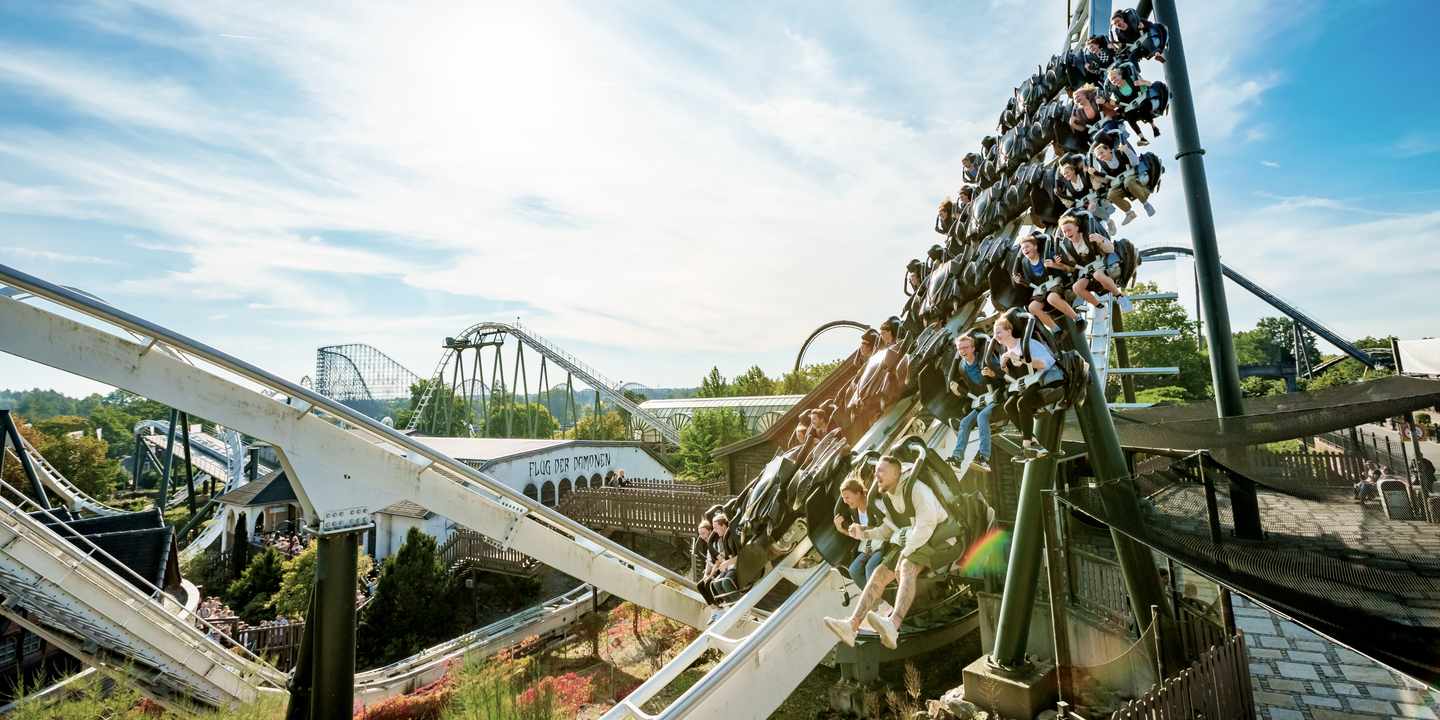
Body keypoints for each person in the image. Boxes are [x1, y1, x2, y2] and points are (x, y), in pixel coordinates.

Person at [822, 455, 959, 649]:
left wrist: (905, 552)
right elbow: (887, 530)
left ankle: (893, 625)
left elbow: (926, 526)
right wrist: (864, 534)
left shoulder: (917, 490)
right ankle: (851, 626)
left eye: (881, 471)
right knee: (879, 573)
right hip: (914, 538)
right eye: (876, 470)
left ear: (897, 472)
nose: (876, 474)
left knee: (906, 565)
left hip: (940, 537)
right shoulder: (888, 497)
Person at [994, 314, 1066, 459]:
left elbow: (1045, 364)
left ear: (1009, 331)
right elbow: (1013, 378)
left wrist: (1021, 359)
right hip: (1028, 383)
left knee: (1023, 402)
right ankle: (1033, 442)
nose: (996, 336)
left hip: (1047, 379)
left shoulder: (1028, 344)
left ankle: (1026, 446)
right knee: (1009, 406)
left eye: (999, 331)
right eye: (995, 333)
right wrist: (1004, 368)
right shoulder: (1005, 353)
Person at [946, 333, 1002, 472]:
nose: (963, 351)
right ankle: (957, 459)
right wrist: (957, 391)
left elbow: (1004, 376)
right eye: (960, 349)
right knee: (965, 422)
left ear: (972, 348)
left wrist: (993, 374)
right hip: (982, 400)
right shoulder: (962, 367)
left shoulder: (985, 360)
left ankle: (984, 458)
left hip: (997, 397)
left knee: (982, 417)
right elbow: (970, 390)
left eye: (965, 347)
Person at [1058, 213, 1132, 311]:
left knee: (1098, 275)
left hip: (1101, 263)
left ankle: (1120, 297)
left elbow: (1110, 249)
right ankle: (1100, 307)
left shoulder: (1090, 234)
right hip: (1087, 269)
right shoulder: (1067, 245)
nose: (1067, 234)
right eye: (1064, 232)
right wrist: (1061, 263)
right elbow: (1072, 265)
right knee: (1076, 287)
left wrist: (1100, 240)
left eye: (1069, 230)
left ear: (1076, 228)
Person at [1012, 231, 1079, 332]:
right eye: (1023, 248)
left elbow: (1070, 269)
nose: (1025, 250)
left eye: (1027, 247)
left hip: (1057, 285)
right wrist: (1021, 281)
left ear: (1035, 247)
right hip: (1042, 291)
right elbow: (1031, 284)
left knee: (1051, 298)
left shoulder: (1047, 255)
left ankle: (1078, 319)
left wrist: (1054, 265)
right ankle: (1057, 331)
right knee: (1032, 307)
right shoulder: (1025, 263)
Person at [1088, 135, 1154, 226]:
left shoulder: (1120, 153)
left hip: (1132, 177)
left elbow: (1135, 162)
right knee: (1111, 194)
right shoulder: (1103, 165)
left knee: (1128, 182)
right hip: (1120, 183)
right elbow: (1106, 180)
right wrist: (1095, 174)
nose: (1100, 156)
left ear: (1109, 150)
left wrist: (1127, 150)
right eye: (1098, 155)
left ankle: (1146, 204)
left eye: (1102, 152)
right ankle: (1129, 213)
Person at [834, 476, 886, 589]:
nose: (845, 501)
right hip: (870, 546)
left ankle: (878, 598)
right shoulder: (855, 512)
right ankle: (877, 602)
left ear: (858, 493)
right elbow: (861, 537)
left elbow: (886, 527)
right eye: (843, 498)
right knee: (854, 570)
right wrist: (841, 529)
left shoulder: (875, 503)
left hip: (884, 543)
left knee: (870, 567)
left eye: (847, 497)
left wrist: (863, 528)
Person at [1103, 62, 1164, 145]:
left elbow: (1150, 85)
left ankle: (1153, 126)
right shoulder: (1115, 92)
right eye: (1112, 80)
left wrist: (1143, 83)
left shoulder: (1132, 80)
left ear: (1120, 75)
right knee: (1128, 117)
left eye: (1115, 77)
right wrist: (1109, 102)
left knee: (1142, 108)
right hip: (1132, 108)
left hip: (1143, 101)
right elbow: (1118, 104)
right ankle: (1142, 138)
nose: (1114, 80)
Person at [698, 514, 739, 605]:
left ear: (723, 525)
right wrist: (706, 574)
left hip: (733, 566)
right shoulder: (718, 540)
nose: (715, 531)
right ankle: (728, 607)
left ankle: (741, 606)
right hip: (728, 567)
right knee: (715, 584)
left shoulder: (728, 538)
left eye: (716, 528)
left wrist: (711, 574)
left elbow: (723, 559)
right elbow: (710, 561)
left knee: (725, 583)